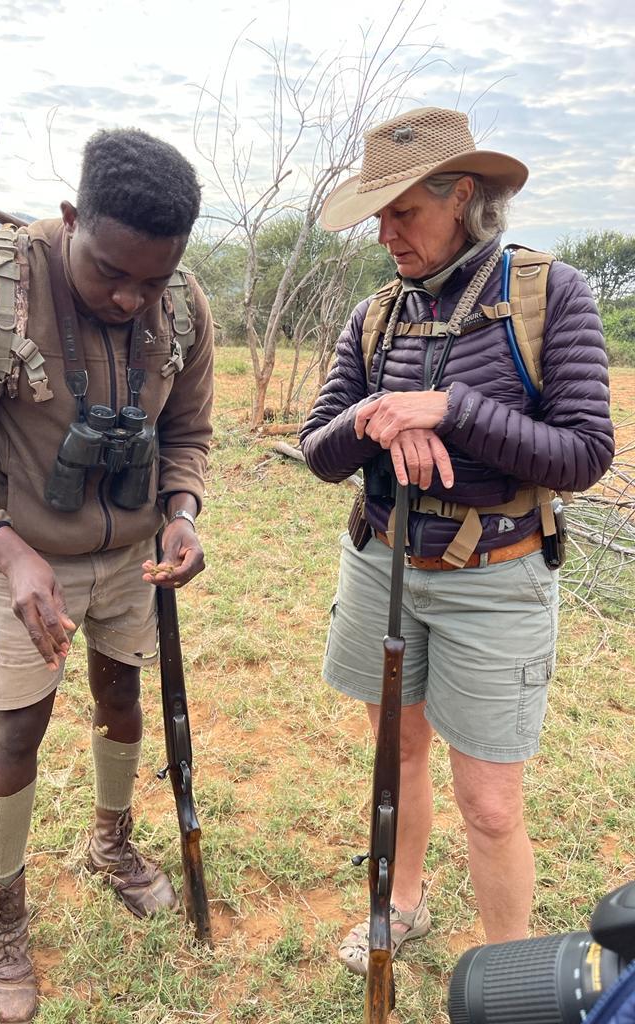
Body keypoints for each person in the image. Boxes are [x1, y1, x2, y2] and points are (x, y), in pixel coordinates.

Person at [300, 106, 614, 977]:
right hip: (382, 563)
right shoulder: (374, 317)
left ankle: (506, 974)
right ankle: (403, 904)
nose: (385, 234)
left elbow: (585, 453)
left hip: (498, 577)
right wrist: (377, 416)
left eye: (403, 211)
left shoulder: (551, 295)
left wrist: (449, 411)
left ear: (463, 196)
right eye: (379, 215)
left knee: (490, 802)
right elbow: (319, 448)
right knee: (396, 754)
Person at [0, 128, 213, 1021]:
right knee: (19, 729)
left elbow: (189, 433)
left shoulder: (183, 305)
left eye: (153, 279)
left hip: (135, 556)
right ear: (72, 219)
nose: (131, 297)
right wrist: (9, 549)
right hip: (23, 556)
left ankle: (110, 843)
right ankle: (3, 911)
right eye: (112, 272)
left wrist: (184, 511)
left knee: (123, 699)